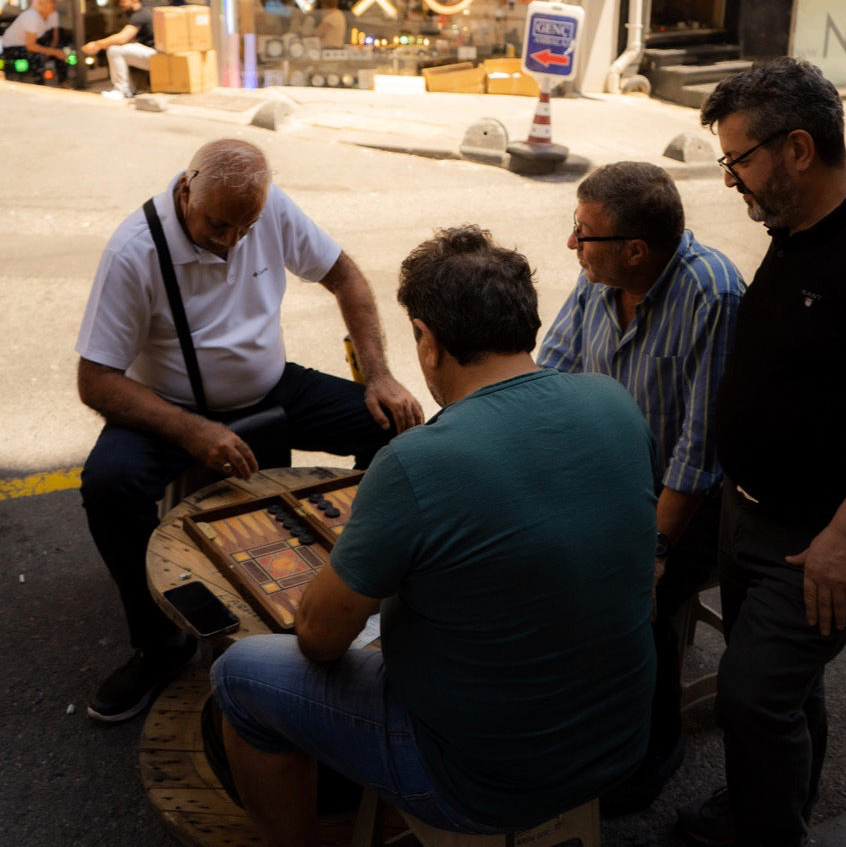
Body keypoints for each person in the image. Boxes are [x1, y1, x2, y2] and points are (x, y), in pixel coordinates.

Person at [211, 225, 659, 847]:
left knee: (238, 674)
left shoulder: (417, 461)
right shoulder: (615, 404)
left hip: (476, 781)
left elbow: (317, 638)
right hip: (619, 744)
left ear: (428, 342)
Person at [77, 137, 422, 724]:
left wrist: (379, 375)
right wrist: (191, 431)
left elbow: (346, 278)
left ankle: (361, 596)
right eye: (218, 224)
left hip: (271, 385)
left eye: (245, 225)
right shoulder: (135, 251)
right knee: (108, 485)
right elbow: (97, 379)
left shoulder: (264, 207)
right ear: (187, 190)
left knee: (396, 430)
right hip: (174, 405)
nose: (232, 239)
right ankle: (160, 643)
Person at [678, 58, 846, 847]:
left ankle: (769, 833)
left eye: (739, 159)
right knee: (786, 695)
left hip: (814, 538)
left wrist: (841, 540)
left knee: (750, 698)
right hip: (745, 515)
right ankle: (761, 803)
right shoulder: (790, 233)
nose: (729, 180)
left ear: (798, 150)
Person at [538, 162, 744, 813]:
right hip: (610, 478)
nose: (571, 245)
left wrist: (651, 551)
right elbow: (554, 370)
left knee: (633, 598)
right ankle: (570, 717)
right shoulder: (598, 277)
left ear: (634, 248)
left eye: (584, 233)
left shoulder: (710, 291)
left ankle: (652, 750)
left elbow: (699, 445)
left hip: (693, 498)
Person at [82, 0, 156, 99]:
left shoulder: (140, 15)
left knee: (114, 50)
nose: (121, 4)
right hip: (154, 55)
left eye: (123, 1)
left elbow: (123, 38)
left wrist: (97, 44)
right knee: (118, 49)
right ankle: (129, 89)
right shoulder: (143, 13)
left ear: (135, 0)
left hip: (156, 57)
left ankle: (122, 90)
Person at [0, 0, 68, 84]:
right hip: (12, 48)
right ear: (41, 3)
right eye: (50, 2)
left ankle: (63, 83)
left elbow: (54, 37)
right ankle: (39, 86)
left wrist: (53, 51)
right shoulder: (32, 17)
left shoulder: (52, 15)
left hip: (29, 43)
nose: (54, 4)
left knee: (60, 49)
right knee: (38, 56)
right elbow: (30, 46)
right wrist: (52, 52)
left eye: (54, 1)